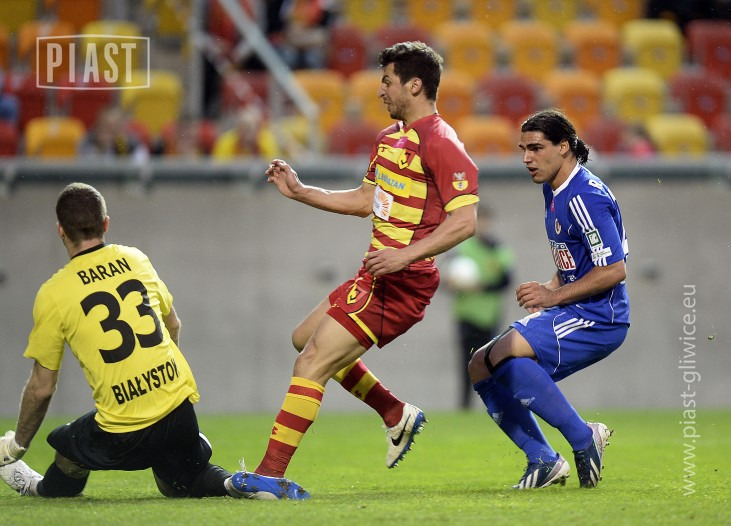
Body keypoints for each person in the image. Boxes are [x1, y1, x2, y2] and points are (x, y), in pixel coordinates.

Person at [226, 41, 479, 499]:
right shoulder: (389, 138)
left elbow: (465, 221)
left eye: (387, 81)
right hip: (377, 272)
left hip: (403, 281)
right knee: (303, 338)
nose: (380, 91)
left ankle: (269, 475)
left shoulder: (441, 141)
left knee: (311, 362)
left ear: (414, 85)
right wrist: (302, 192)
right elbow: (365, 200)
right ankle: (394, 412)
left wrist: (405, 255)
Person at [0, 183, 308, 500]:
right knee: (181, 482)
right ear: (105, 223)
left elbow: (42, 388)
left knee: (67, 448)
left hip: (123, 433)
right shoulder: (135, 259)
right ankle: (237, 482)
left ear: (60, 230)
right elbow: (173, 324)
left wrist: (17, 444)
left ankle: (37, 487)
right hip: (179, 411)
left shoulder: (53, 293)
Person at [467, 109, 629, 489]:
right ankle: (543, 459)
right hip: (575, 307)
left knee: (504, 352)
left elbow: (614, 270)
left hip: (599, 316)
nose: (527, 158)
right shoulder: (554, 188)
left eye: (536, 148)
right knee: (480, 365)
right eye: (523, 149)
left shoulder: (585, 196)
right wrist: (551, 285)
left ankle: (582, 437)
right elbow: (575, 257)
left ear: (564, 146)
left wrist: (553, 295)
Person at [444, 205, 513, 410]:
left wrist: (481, 286)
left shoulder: (498, 250)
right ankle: (465, 406)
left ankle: (491, 405)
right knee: (467, 362)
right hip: (466, 314)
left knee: (489, 362)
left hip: (489, 314)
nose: (482, 225)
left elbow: (506, 281)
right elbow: (445, 279)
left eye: (484, 220)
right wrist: (452, 283)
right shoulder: (462, 248)